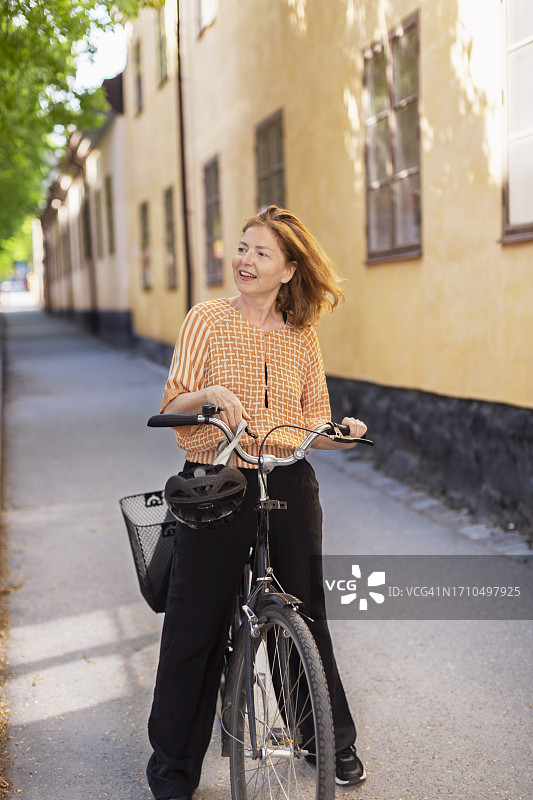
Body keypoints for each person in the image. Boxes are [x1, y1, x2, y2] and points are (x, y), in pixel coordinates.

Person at [147, 205, 368, 800]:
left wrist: (338, 429)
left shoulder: (302, 334)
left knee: (306, 614)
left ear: (289, 269)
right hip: (217, 481)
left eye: (261, 253)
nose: (244, 260)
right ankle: (172, 768)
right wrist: (210, 393)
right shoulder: (208, 320)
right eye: (242, 248)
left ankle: (325, 739)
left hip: (287, 480)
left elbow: (312, 419)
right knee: (196, 622)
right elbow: (173, 400)